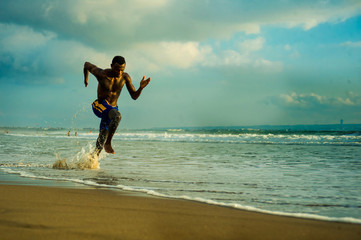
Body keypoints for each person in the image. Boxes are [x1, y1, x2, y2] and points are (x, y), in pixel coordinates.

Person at [83, 56, 150, 155]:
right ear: (111, 66)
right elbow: (86, 64)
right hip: (100, 105)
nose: (119, 72)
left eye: (122, 70)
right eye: (117, 69)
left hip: (112, 109)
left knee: (103, 136)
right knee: (117, 116)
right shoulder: (102, 74)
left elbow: (134, 96)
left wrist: (141, 88)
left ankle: (92, 160)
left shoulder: (125, 77)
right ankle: (108, 144)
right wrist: (86, 78)